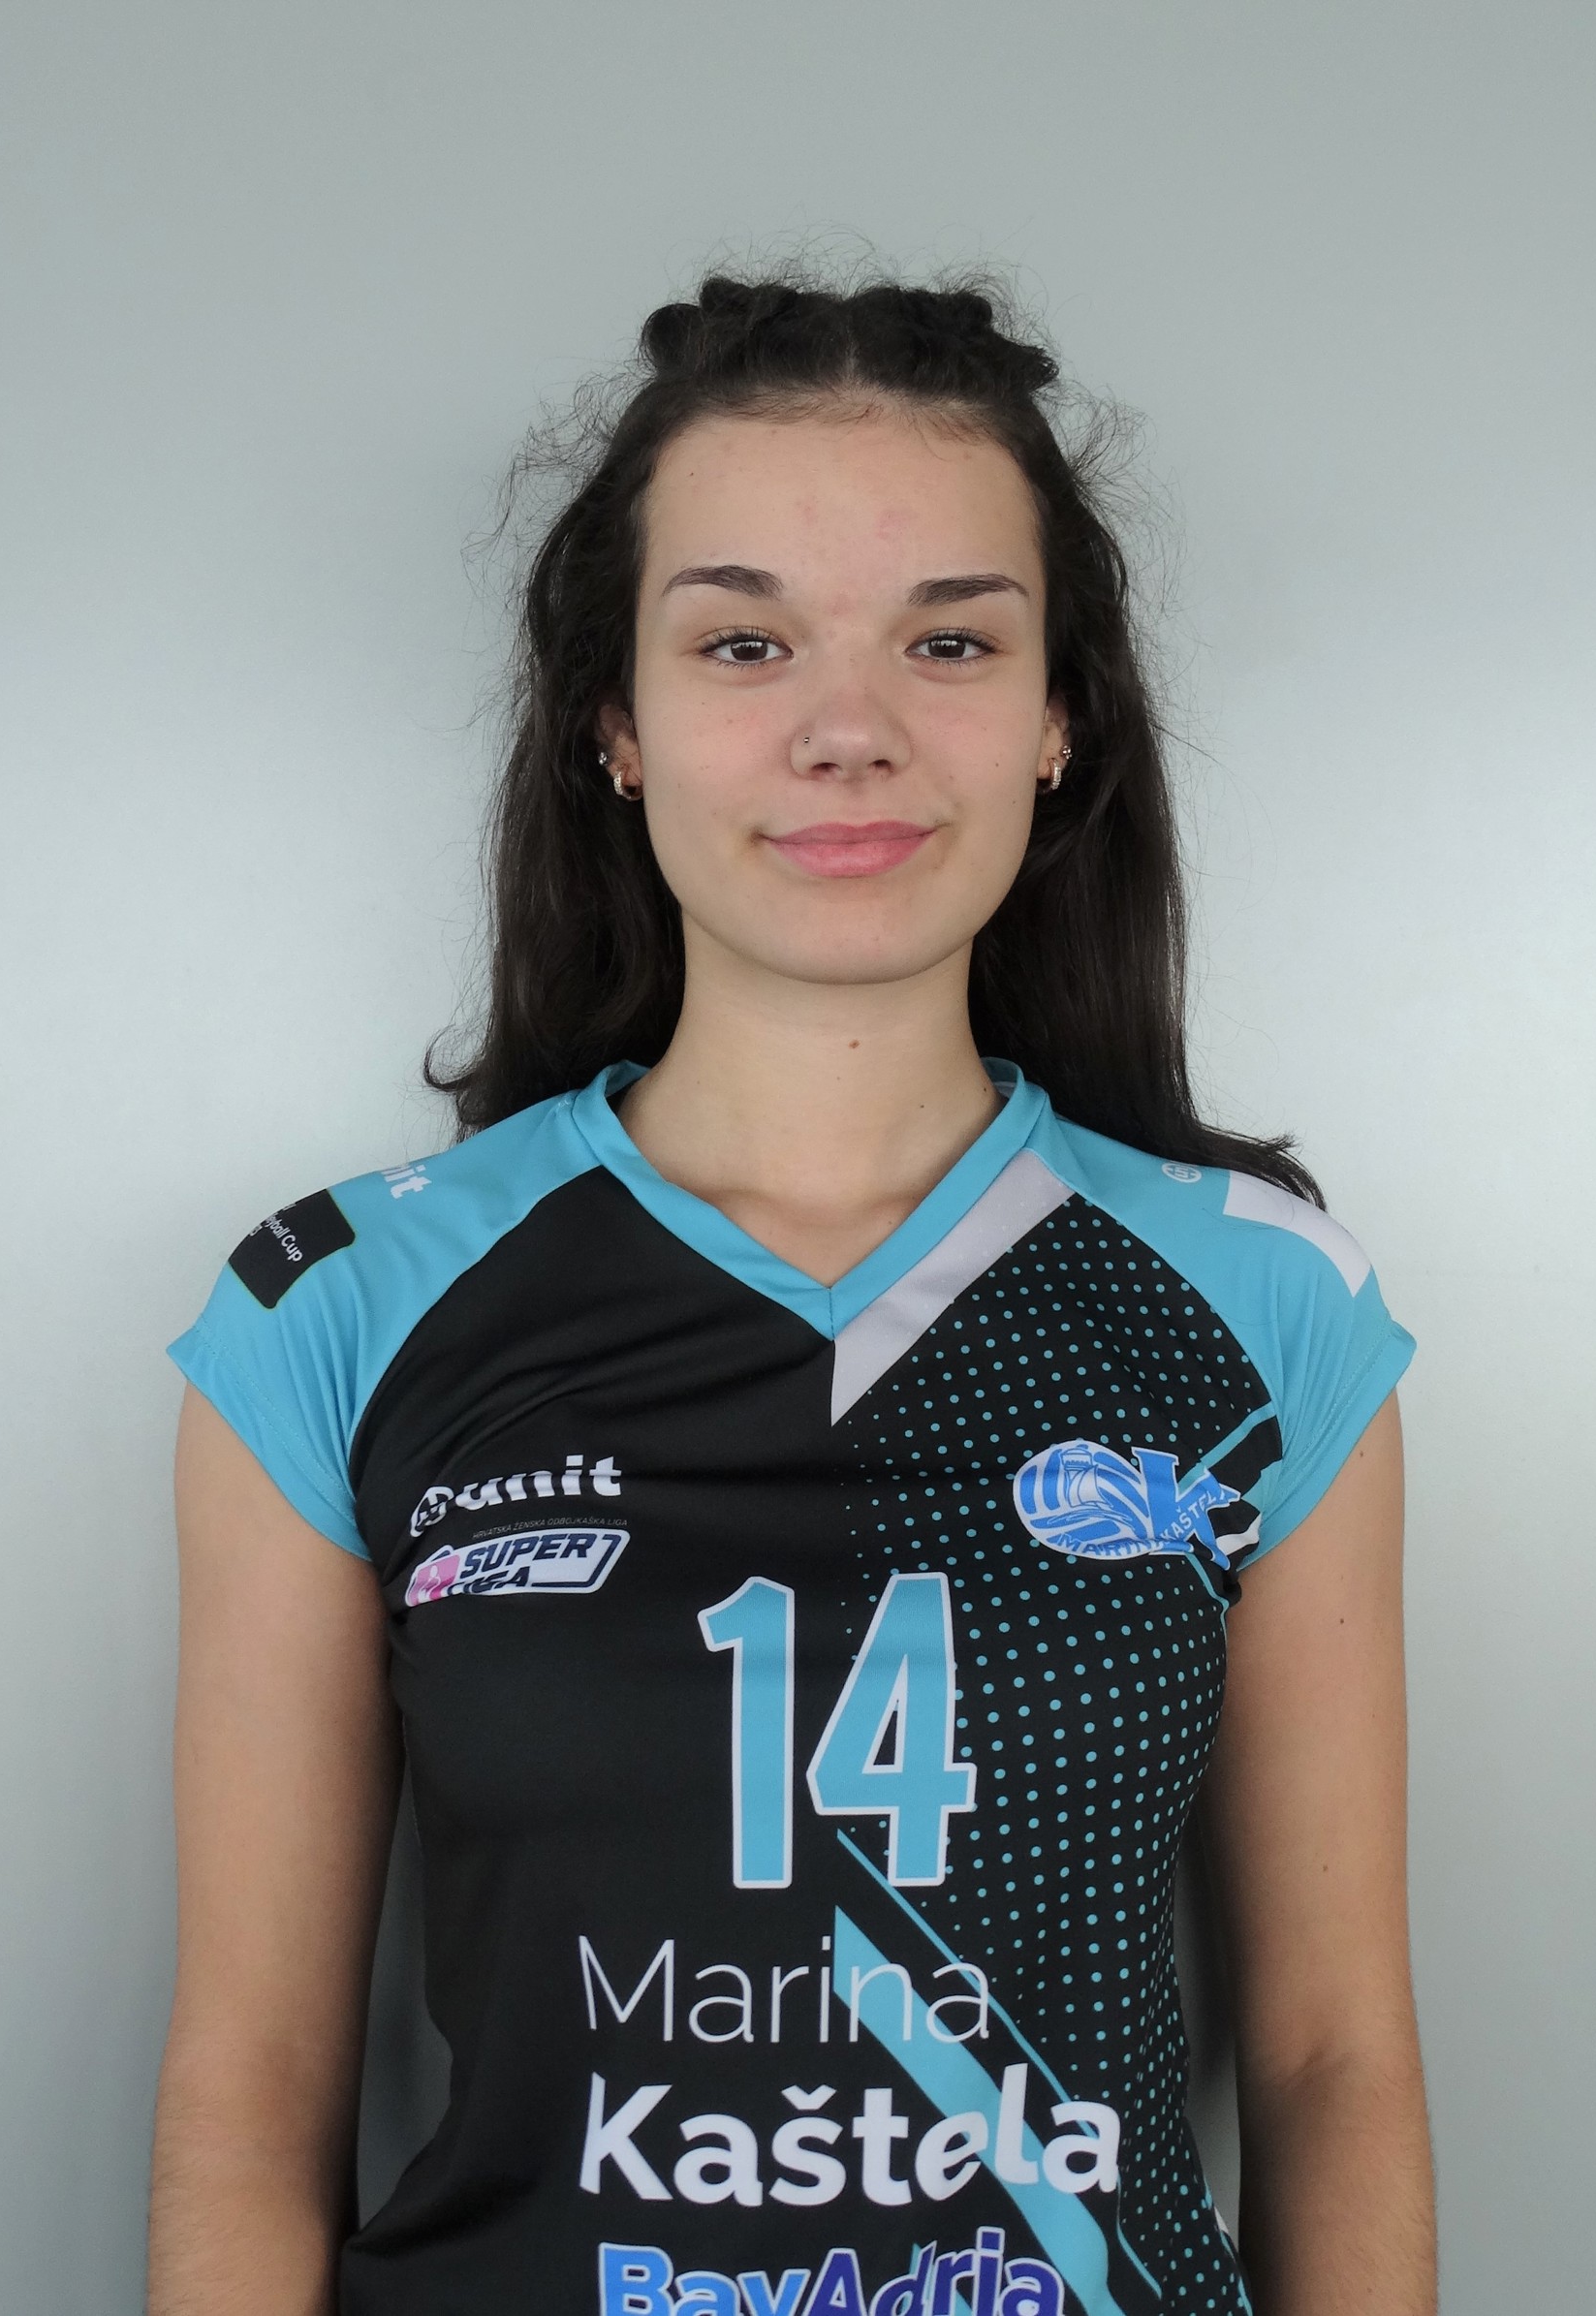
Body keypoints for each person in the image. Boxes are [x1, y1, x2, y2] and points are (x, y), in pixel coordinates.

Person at [147, 273, 1435, 2316]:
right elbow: (249, 2093)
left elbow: (1332, 2058)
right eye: (744, 641)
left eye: (951, 639)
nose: (852, 728)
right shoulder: (339, 1307)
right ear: (615, 722)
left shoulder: (1264, 1303)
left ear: (1058, 718)